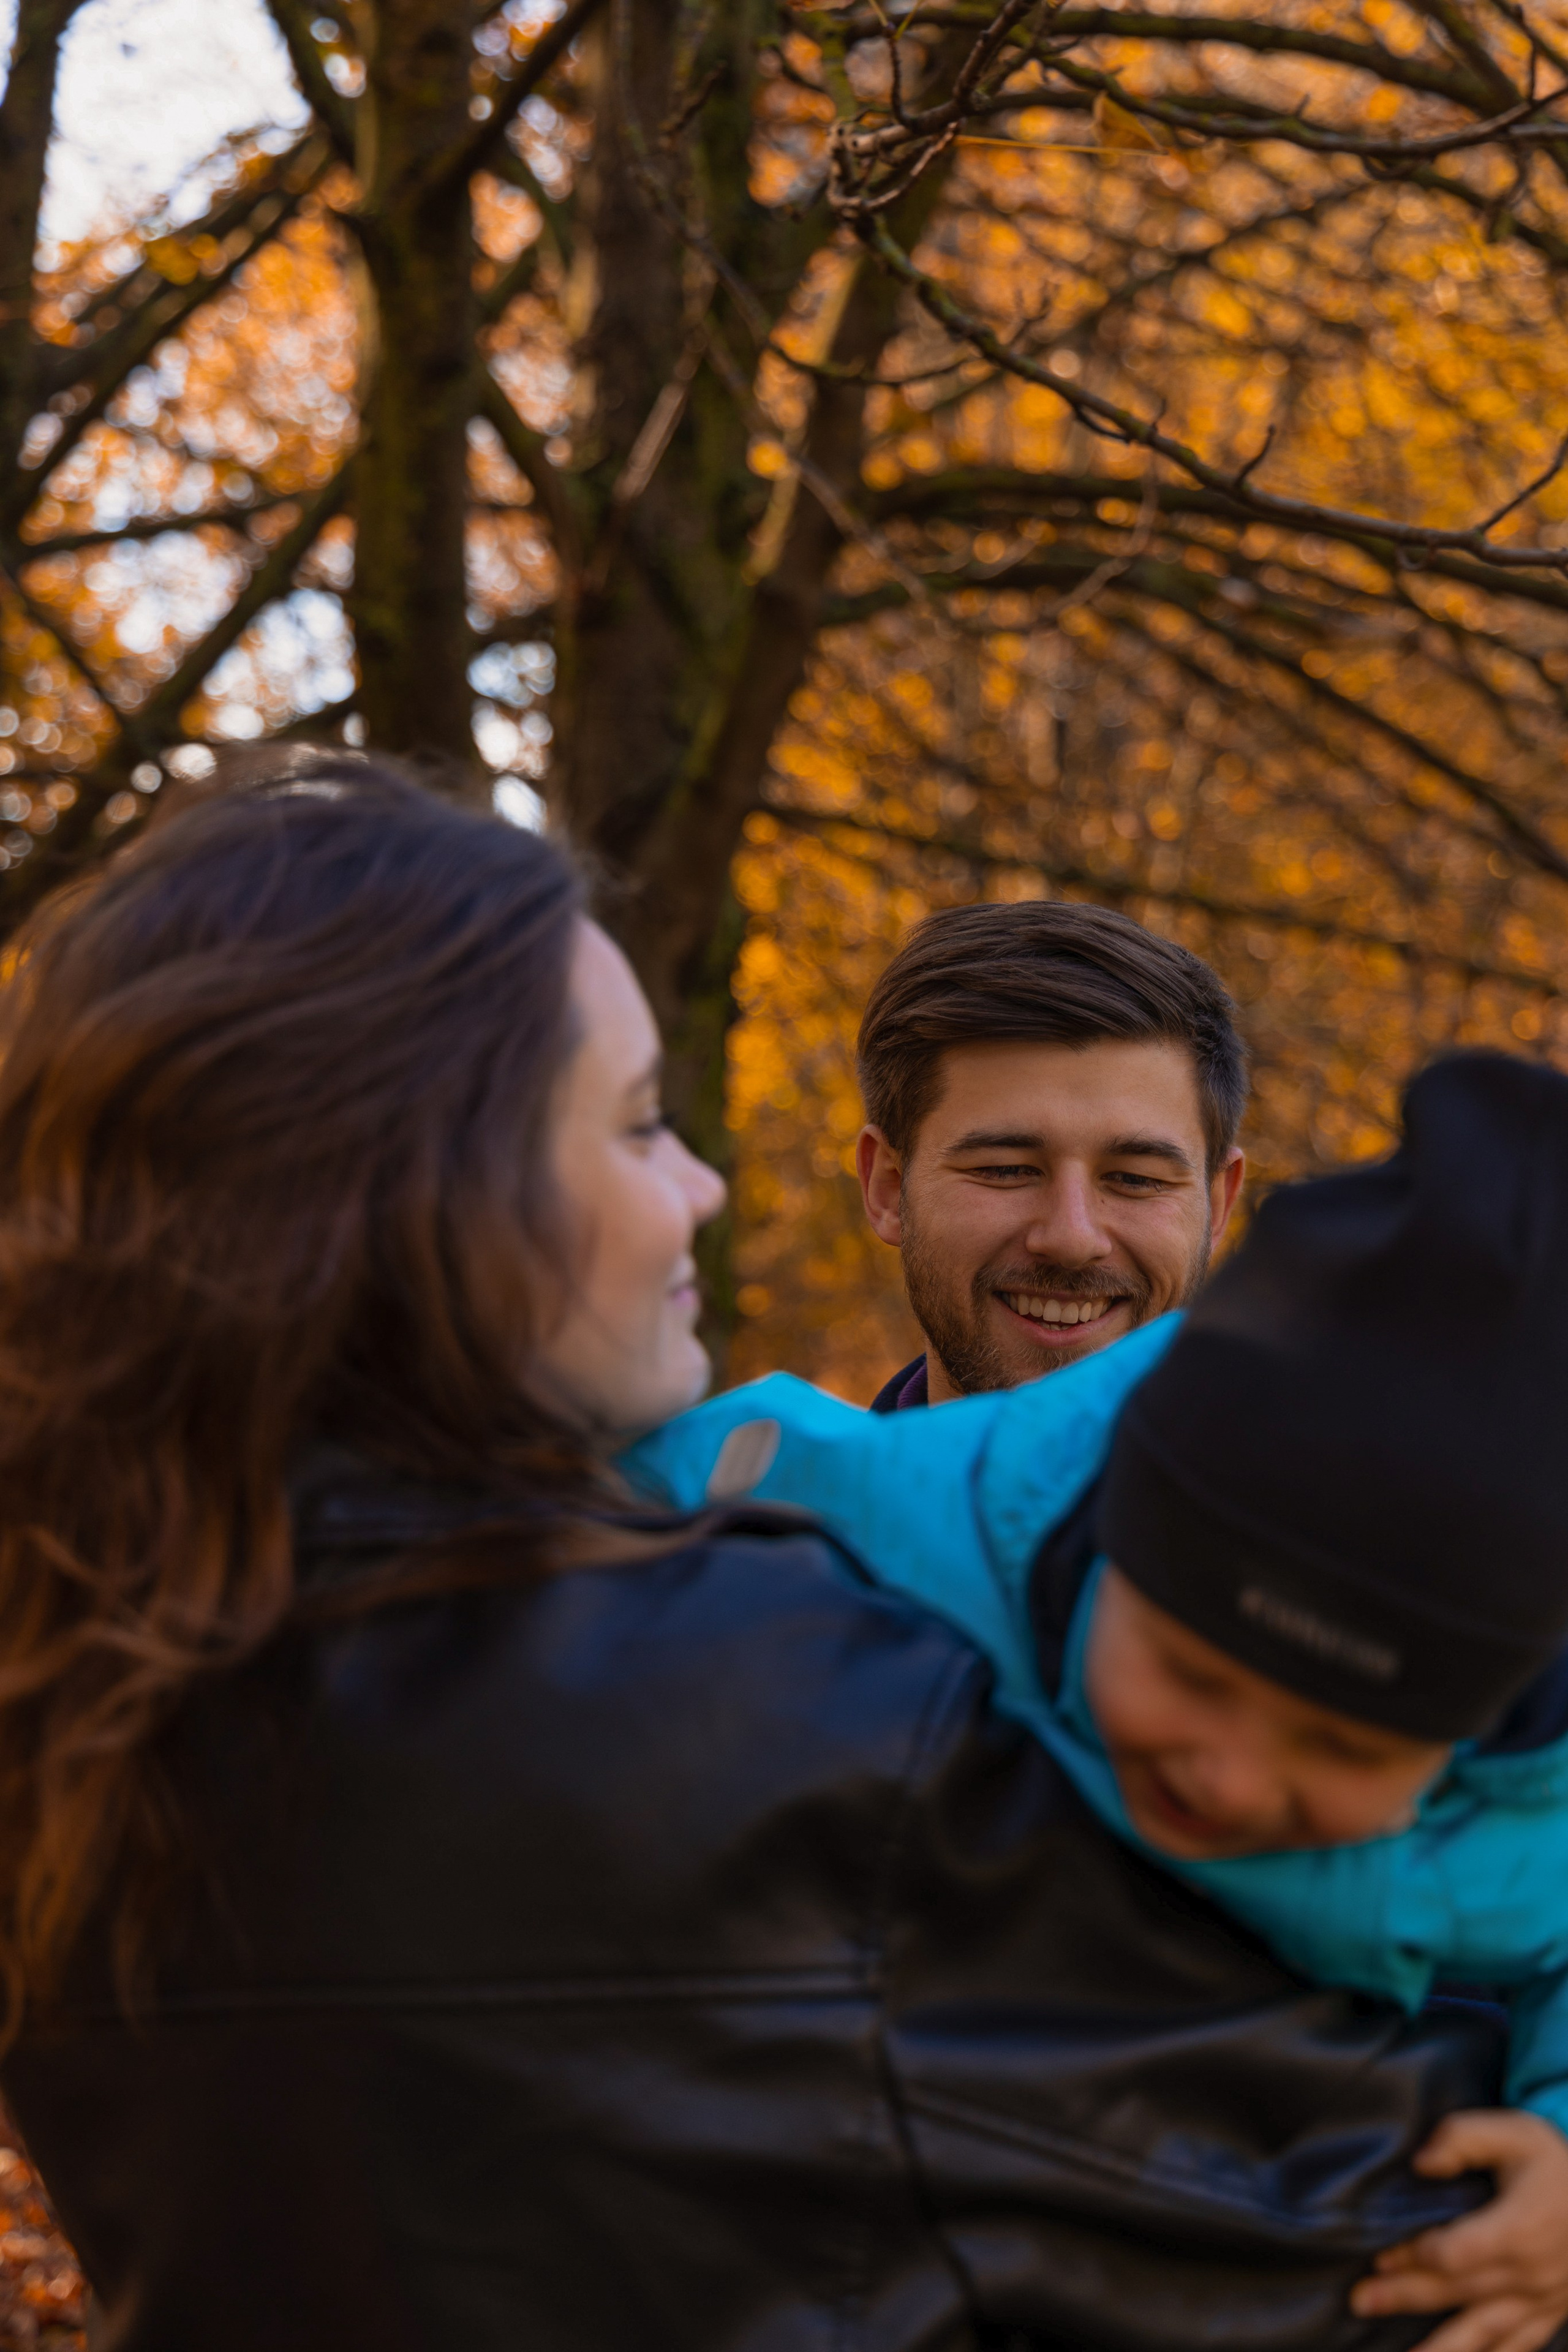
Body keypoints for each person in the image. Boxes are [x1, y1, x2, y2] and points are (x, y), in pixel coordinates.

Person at [0, 750, 1502, 2352]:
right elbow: (1373, 2228)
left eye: (1135, 1176)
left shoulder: (85, 1680)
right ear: (437, 1192)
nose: (704, 1185)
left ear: (1223, 1197)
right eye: (639, 1124)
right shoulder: (759, 1675)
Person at [629, 1053, 1568, 2352]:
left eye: (1341, 1743)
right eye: (1192, 1674)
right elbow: (693, 1475)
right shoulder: (924, 1529)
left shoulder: (1533, 1800)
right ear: (1110, 1543)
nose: (1231, 1773)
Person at [857, 901, 1248, 1410]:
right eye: (1006, 1170)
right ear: (888, 1187)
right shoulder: (770, 1464)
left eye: (1135, 1179)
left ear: (1217, 1204)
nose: (1072, 1239)